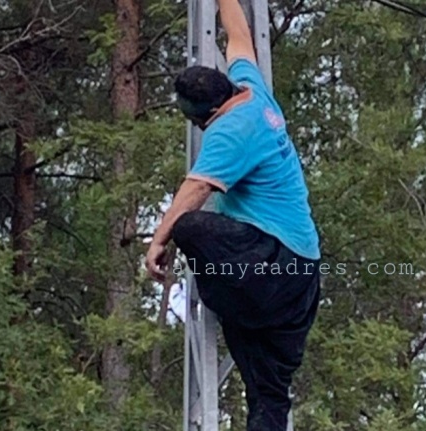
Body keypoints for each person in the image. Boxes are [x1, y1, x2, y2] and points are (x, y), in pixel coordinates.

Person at [144, 0, 321, 428]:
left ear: (202, 118)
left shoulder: (228, 132)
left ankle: (225, 295)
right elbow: (238, 35)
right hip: (300, 285)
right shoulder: (251, 89)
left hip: (275, 269)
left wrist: (157, 242)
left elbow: (196, 189)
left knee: (190, 226)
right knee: (268, 402)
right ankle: (233, 303)